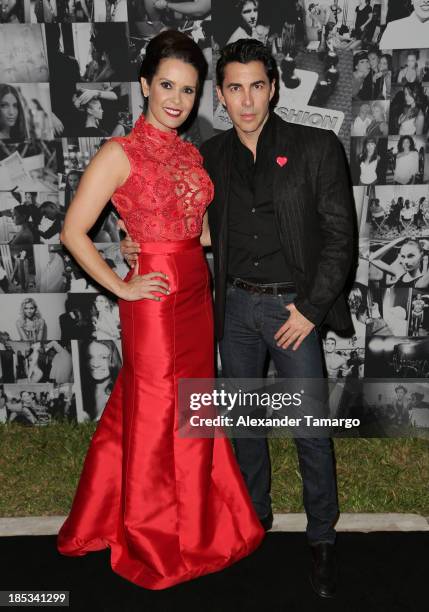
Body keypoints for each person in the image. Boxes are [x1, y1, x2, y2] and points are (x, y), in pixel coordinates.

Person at [121, 38, 355, 599]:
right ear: (219, 97)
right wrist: (141, 245)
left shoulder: (317, 147)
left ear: (272, 87)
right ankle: (254, 525)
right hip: (234, 309)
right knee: (244, 426)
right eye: (233, 88)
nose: (246, 100)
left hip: (293, 309)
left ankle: (322, 538)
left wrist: (311, 309)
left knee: (310, 429)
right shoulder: (211, 156)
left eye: (256, 86)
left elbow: (341, 240)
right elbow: (193, 225)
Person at [56, 30, 265, 590]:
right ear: (145, 84)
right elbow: (72, 232)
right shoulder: (117, 152)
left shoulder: (191, 153)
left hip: (197, 292)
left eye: (190, 91)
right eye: (167, 85)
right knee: (154, 416)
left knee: (191, 404)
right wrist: (122, 286)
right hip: (152, 301)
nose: (177, 99)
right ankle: (153, 535)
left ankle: (190, 517)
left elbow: (197, 232)